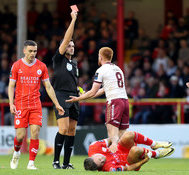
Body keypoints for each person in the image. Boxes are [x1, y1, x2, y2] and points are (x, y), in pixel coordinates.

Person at [9, 40, 64, 170]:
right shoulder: (16, 66)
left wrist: (56, 104)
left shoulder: (41, 66)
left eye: (34, 51)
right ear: (24, 51)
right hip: (21, 104)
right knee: (21, 135)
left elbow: (48, 87)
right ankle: (16, 153)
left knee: (35, 132)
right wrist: (11, 103)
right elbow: (11, 86)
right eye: (30, 51)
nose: (33, 53)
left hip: (35, 105)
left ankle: (31, 163)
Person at [66, 47, 129, 153]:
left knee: (112, 134)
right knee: (122, 134)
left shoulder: (101, 70)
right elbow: (102, 90)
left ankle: (115, 160)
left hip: (114, 101)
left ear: (100, 57)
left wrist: (79, 98)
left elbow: (93, 91)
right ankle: (126, 158)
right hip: (125, 101)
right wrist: (86, 96)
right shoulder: (118, 69)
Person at [51, 10, 79, 169]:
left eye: (73, 45)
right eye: (69, 45)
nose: (71, 47)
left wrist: (79, 90)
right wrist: (73, 20)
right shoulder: (58, 58)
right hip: (60, 95)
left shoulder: (74, 64)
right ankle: (55, 161)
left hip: (74, 97)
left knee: (72, 130)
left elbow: (71, 80)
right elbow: (67, 38)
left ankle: (66, 163)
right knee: (63, 128)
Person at [84, 130, 174, 171]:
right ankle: (157, 154)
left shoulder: (94, 146)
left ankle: (154, 144)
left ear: (92, 155)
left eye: (100, 159)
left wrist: (118, 138)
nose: (103, 160)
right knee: (135, 150)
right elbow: (129, 168)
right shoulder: (109, 169)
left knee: (128, 134)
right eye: (101, 163)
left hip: (122, 148)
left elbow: (111, 139)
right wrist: (144, 161)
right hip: (129, 161)